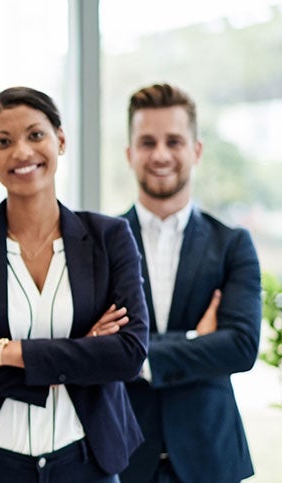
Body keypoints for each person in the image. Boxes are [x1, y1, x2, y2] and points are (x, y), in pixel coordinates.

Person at [0, 86, 149, 483]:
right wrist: (79, 356)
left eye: (35, 135)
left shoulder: (110, 236)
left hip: (86, 461)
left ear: (60, 141)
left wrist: (4, 351)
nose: (22, 152)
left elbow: (128, 354)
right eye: (4, 141)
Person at [118, 83, 260, 483]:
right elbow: (90, 348)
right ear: (130, 154)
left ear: (195, 150)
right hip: (123, 458)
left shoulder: (232, 243)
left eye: (174, 141)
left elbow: (241, 346)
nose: (160, 154)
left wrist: (137, 356)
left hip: (210, 458)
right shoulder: (99, 244)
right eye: (147, 142)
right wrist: (197, 340)